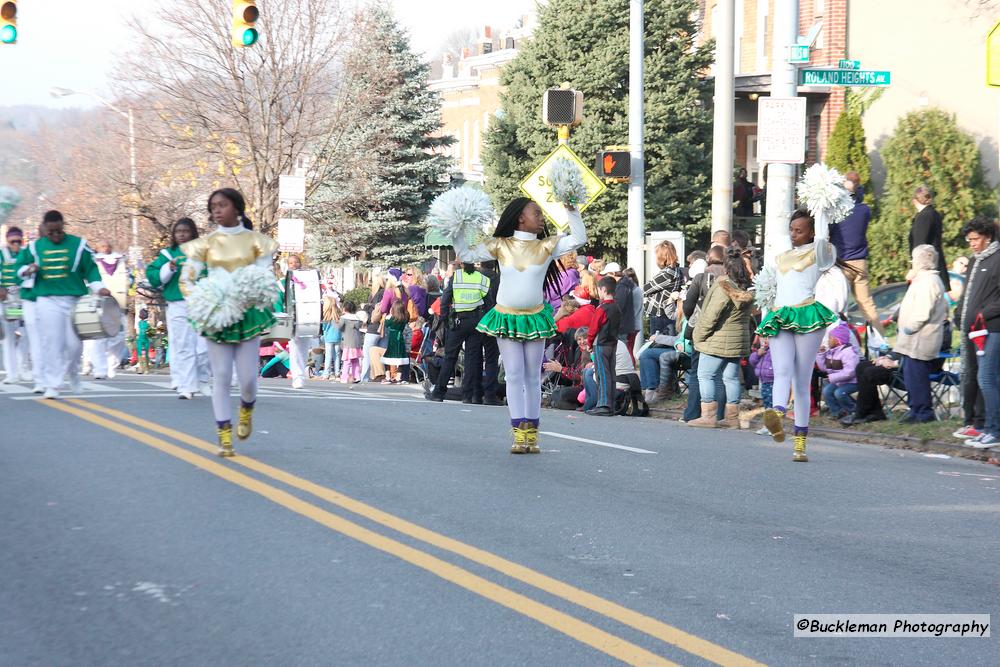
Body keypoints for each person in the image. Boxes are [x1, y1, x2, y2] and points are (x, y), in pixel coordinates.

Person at [452, 197, 587, 454]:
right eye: (536, 212)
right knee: (514, 374)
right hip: (506, 316)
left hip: (535, 316)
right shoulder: (501, 245)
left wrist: (572, 210)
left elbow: (579, 238)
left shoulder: (547, 245)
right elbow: (467, 254)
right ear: (520, 218)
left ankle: (532, 433)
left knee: (532, 376)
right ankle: (518, 433)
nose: (541, 217)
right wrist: (456, 227)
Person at [179, 188, 278, 457]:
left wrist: (249, 293)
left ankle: (247, 408)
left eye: (222, 205)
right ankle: (224, 434)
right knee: (220, 376)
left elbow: (264, 276)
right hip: (217, 315)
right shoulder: (205, 244)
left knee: (247, 379)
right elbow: (186, 280)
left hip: (247, 313)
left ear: (237, 207)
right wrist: (203, 302)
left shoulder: (258, 242)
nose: (216, 211)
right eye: (213, 207)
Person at [756, 209, 839, 462]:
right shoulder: (781, 256)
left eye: (799, 230)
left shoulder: (821, 253)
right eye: (791, 230)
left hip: (807, 315)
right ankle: (778, 413)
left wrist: (822, 207)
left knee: (802, 381)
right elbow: (771, 288)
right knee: (782, 370)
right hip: (780, 314)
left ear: (812, 232)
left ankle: (800, 444)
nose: (793, 234)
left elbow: (824, 238)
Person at [15, 211, 111, 399]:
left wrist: (99, 288)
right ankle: (53, 384)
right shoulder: (35, 247)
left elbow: (91, 270)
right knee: (52, 343)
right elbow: (19, 268)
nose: (55, 236)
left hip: (74, 300)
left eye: (58, 231)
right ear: (45, 229)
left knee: (75, 345)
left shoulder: (79, 245)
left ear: (63, 226)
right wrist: (28, 269)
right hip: (47, 300)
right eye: (51, 232)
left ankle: (73, 373)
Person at [687, 246, 754, 429]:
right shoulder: (746, 288)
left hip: (716, 340)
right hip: (737, 341)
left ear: (726, 268)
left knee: (705, 375)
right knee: (731, 378)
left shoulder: (723, 286)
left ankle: (708, 416)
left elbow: (711, 316)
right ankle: (732, 419)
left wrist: (698, 336)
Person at [146, 218, 210, 399]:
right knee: (183, 345)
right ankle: (186, 386)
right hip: (178, 304)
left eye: (186, 231)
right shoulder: (168, 254)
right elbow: (154, 277)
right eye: (178, 231)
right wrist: (168, 268)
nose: (182, 234)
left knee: (204, 347)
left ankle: (202, 379)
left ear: (193, 233)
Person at [952, 218, 1000, 448]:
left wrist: (982, 314)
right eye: (969, 239)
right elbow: (967, 295)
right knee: (977, 377)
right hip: (972, 330)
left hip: (992, 329)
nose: (971, 243)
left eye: (975, 239)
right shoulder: (975, 260)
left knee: (987, 379)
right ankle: (980, 424)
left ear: (988, 237)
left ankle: (994, 430)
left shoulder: (997, 259)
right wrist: (959, 313)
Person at [893, 244, 949, 423]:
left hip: (920, 337)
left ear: (922, 261)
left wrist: (909, 328)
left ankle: (923, 413)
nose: (912, 263)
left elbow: (922, 312)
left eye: (914, 259)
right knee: (911, 377)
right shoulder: (923, 279)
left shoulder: (929, 282)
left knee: (917, 378)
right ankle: (915, 410)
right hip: (914, 339)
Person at [424, 261, 490, 402]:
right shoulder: (482, 278)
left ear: (462, 265)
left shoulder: (457, 277)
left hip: (458, 321)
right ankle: (467, 396)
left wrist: (445, 319)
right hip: (476, 321)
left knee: (450, 357)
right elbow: (488, 303)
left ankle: (439, 393)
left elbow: (446, 298)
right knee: (471, 360)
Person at [829, 172, 883, 333]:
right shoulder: (864, 211)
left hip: (842, 263)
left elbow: (828, 233)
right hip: (860, 262)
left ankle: (838, 342)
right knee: (867, 303)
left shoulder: (837, 213)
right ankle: (881, 340)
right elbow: (858, 201)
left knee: (839, 305)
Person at [680, 245, 726, 423]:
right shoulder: (731, 276)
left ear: (708, 259)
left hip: (703, 331)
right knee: (721, 375)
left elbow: (688, 305)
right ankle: (721, 415)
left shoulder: (702, 278)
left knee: (699, 372)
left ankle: (693, 413)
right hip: (725, 332)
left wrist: (692, 317)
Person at [84, 240, 129, 380]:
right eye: (102, 246)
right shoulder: (93, 261)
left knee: (119, 337)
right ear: (97, 248)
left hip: (118, 302)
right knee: (98, 337)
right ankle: (99, 368)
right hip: (99, 303)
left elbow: (127, 278)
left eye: (108, 246)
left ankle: (112, 364)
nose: (105, 248)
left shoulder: (120, 260)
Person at [585, 276, 622, 416]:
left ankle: (603, 404)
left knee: (602, 374)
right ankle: (610, 404)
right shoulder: (617, 307)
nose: (598, 292)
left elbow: (593, 328)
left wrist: (589, 342)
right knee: (611, 374)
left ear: (604, 290)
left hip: (601, 344)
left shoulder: (602, 309)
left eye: (599, 290)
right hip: (613, 343)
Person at [0, 227, 28, 383]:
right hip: (8, 300)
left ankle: (23, 366)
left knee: (27, 333)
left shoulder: (26, 253)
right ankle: (12, 374)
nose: (16, 244)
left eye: (18, 241)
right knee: (9, 338)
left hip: (24, 299)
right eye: (13, 241)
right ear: (8, 240)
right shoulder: (1, 254)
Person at [815, 322, 860, 420]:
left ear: (837, 341)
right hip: (840, 381)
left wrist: (832, 377)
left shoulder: (848, 352)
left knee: (839, 393)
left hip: (853, 382)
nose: (828, 340)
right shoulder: (832, 352)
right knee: (827, 391)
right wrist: (821, 354)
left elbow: (850, 372)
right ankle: (838, 412)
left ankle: (854, 410)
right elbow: (824, 368)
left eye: (830, 338)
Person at [642, 240, 684, 337]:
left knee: (657, 343)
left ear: (662, 257)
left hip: (659, 313)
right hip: (669, 311)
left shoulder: (667, 274)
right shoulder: (678, 270)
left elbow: (645, 289)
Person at [910, 186, 949, 285]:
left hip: (926, 269)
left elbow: (919, 246)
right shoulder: (935, 214)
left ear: (914, 201)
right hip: (936, 264)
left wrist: (914, 270)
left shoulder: (923, 217)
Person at [360, 274, 386, 382]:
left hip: (373, 327)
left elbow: (375, 310)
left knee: (367, 353)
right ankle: (380, 376)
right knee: (381, 353)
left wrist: (365, 306)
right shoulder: (387, 293)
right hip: (384, 327)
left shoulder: (376, 294)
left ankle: (365, 377)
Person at [748, 336, 774, 435]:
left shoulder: (776, 351)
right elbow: (752, 361)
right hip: (764, 380)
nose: (766, 340)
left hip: (773, 380)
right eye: (765, 338)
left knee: (772, 404)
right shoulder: (763, 350)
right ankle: (767, 425)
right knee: (767, 403)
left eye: (769, 338)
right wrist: (758, 354)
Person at [380, 299, 410, 384]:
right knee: (400, 358)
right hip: (400, 339)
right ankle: (398, 377)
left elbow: (386, 323)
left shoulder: (391, 319)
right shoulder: (403, 319)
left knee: (388, 358)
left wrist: (389, 314)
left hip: (392, 340)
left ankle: (388, 376)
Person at [321, 296, 342, 380]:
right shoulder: (338, 316)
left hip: (329, 338)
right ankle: (337, 373)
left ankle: (326, 374)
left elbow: (324, 328)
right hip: (337, 337)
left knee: (328, 356)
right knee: (337, 356)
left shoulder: (326, 317)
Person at [135, 308, 151, 372]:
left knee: (140, 353)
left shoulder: (139, 323)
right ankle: (146, 368)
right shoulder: (148, 323)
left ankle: (141, 368)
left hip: (140, 339)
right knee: (145, 353)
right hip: (146, 338)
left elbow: (137, 331)